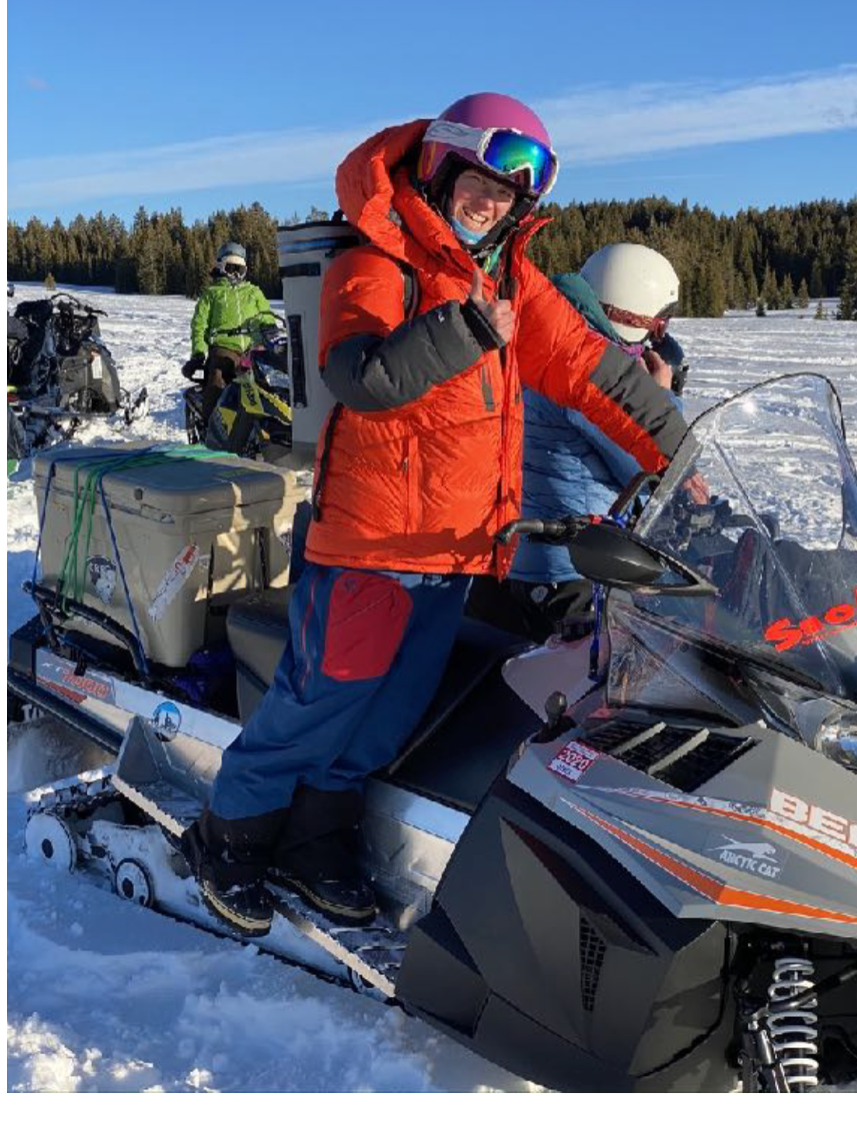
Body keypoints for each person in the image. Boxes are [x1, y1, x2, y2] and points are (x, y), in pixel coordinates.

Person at [180, 93, 687, 936]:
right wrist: (465, 332)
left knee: (386, 719)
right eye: (478, 185)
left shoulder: (509, 281)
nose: (491, 204)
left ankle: (316, 841)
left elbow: (596, 371)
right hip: (370, 545)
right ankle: (226, 838)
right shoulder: (380, 261)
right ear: (441, 169)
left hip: (453, 552)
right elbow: (360, 376)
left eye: (508, 194)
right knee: (317, 706)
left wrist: (681, 447)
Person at [467, 242, 685, 641]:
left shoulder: (547, 345)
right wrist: (662, 395)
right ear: (635, 313)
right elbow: (654, 474)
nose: (660, 338)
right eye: (659, 324)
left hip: (518, 560)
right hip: (573, 571)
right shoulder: (590, 374)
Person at [184, 243, 278, 431]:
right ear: (221, 267)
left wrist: (269, 329)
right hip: (224, 347)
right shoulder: (212, 294)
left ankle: (273, 426)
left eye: (239, 269)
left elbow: (266, 314)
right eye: (230, 268)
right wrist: (198, 354)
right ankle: (211, 426)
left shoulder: (253, 292)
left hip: (253, 349)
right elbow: (199, 326)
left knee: (268, 383)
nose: (235, 274)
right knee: (218, 375)